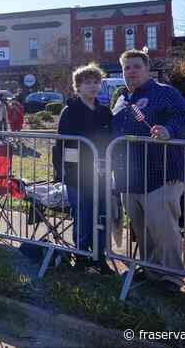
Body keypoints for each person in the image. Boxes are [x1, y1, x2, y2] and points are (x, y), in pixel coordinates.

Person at [111, 49, 185, 293]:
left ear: (148, 69)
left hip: (162, 174)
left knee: (163, 229)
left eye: (136, 66)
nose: (131, 71)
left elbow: (184, 117)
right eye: (126, 68)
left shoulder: (165, 93)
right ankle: (150, 270)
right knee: (142, 231)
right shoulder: (122, 99)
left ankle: (172, 278)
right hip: (130, 177)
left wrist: (169, 131)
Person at [51, 63, 113, 274]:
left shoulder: (105, 112)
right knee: (83, 213)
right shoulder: (70, 111)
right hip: (77, 173)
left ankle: (99, 256)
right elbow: (62, 144)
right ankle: (82, 255)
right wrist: (61, 171)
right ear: (78, 86)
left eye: (96, 82)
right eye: (87, 83)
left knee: (102, 214)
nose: (93, 86)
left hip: (102, 172)